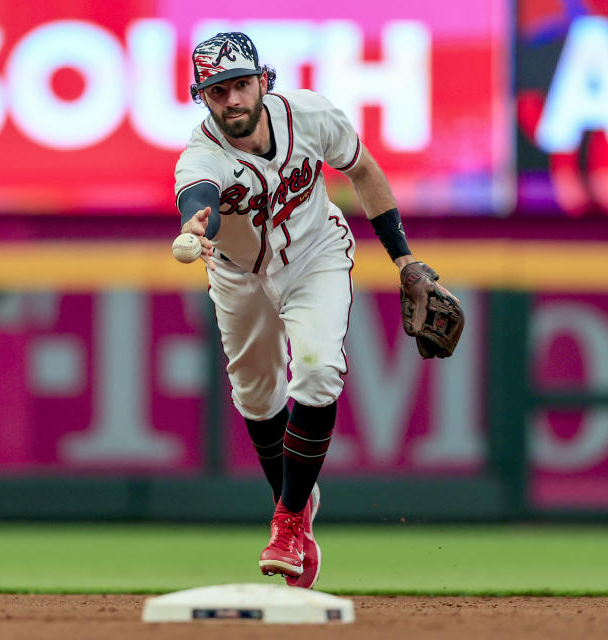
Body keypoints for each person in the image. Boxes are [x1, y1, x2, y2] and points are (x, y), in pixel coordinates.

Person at [174, 32, 458, 588]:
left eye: (239, 85)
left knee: (318, 369)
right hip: (237, 274)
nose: (231, 100)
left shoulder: (309, 115)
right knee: (255, 395)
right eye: (217, 91)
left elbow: (365, 172)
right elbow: (199, 198)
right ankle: (296, 502)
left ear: (263, 80)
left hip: (315, 257)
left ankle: (288, 520)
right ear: (202, 97)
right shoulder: (202, 153)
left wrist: (404, 261)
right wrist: (191, 226)